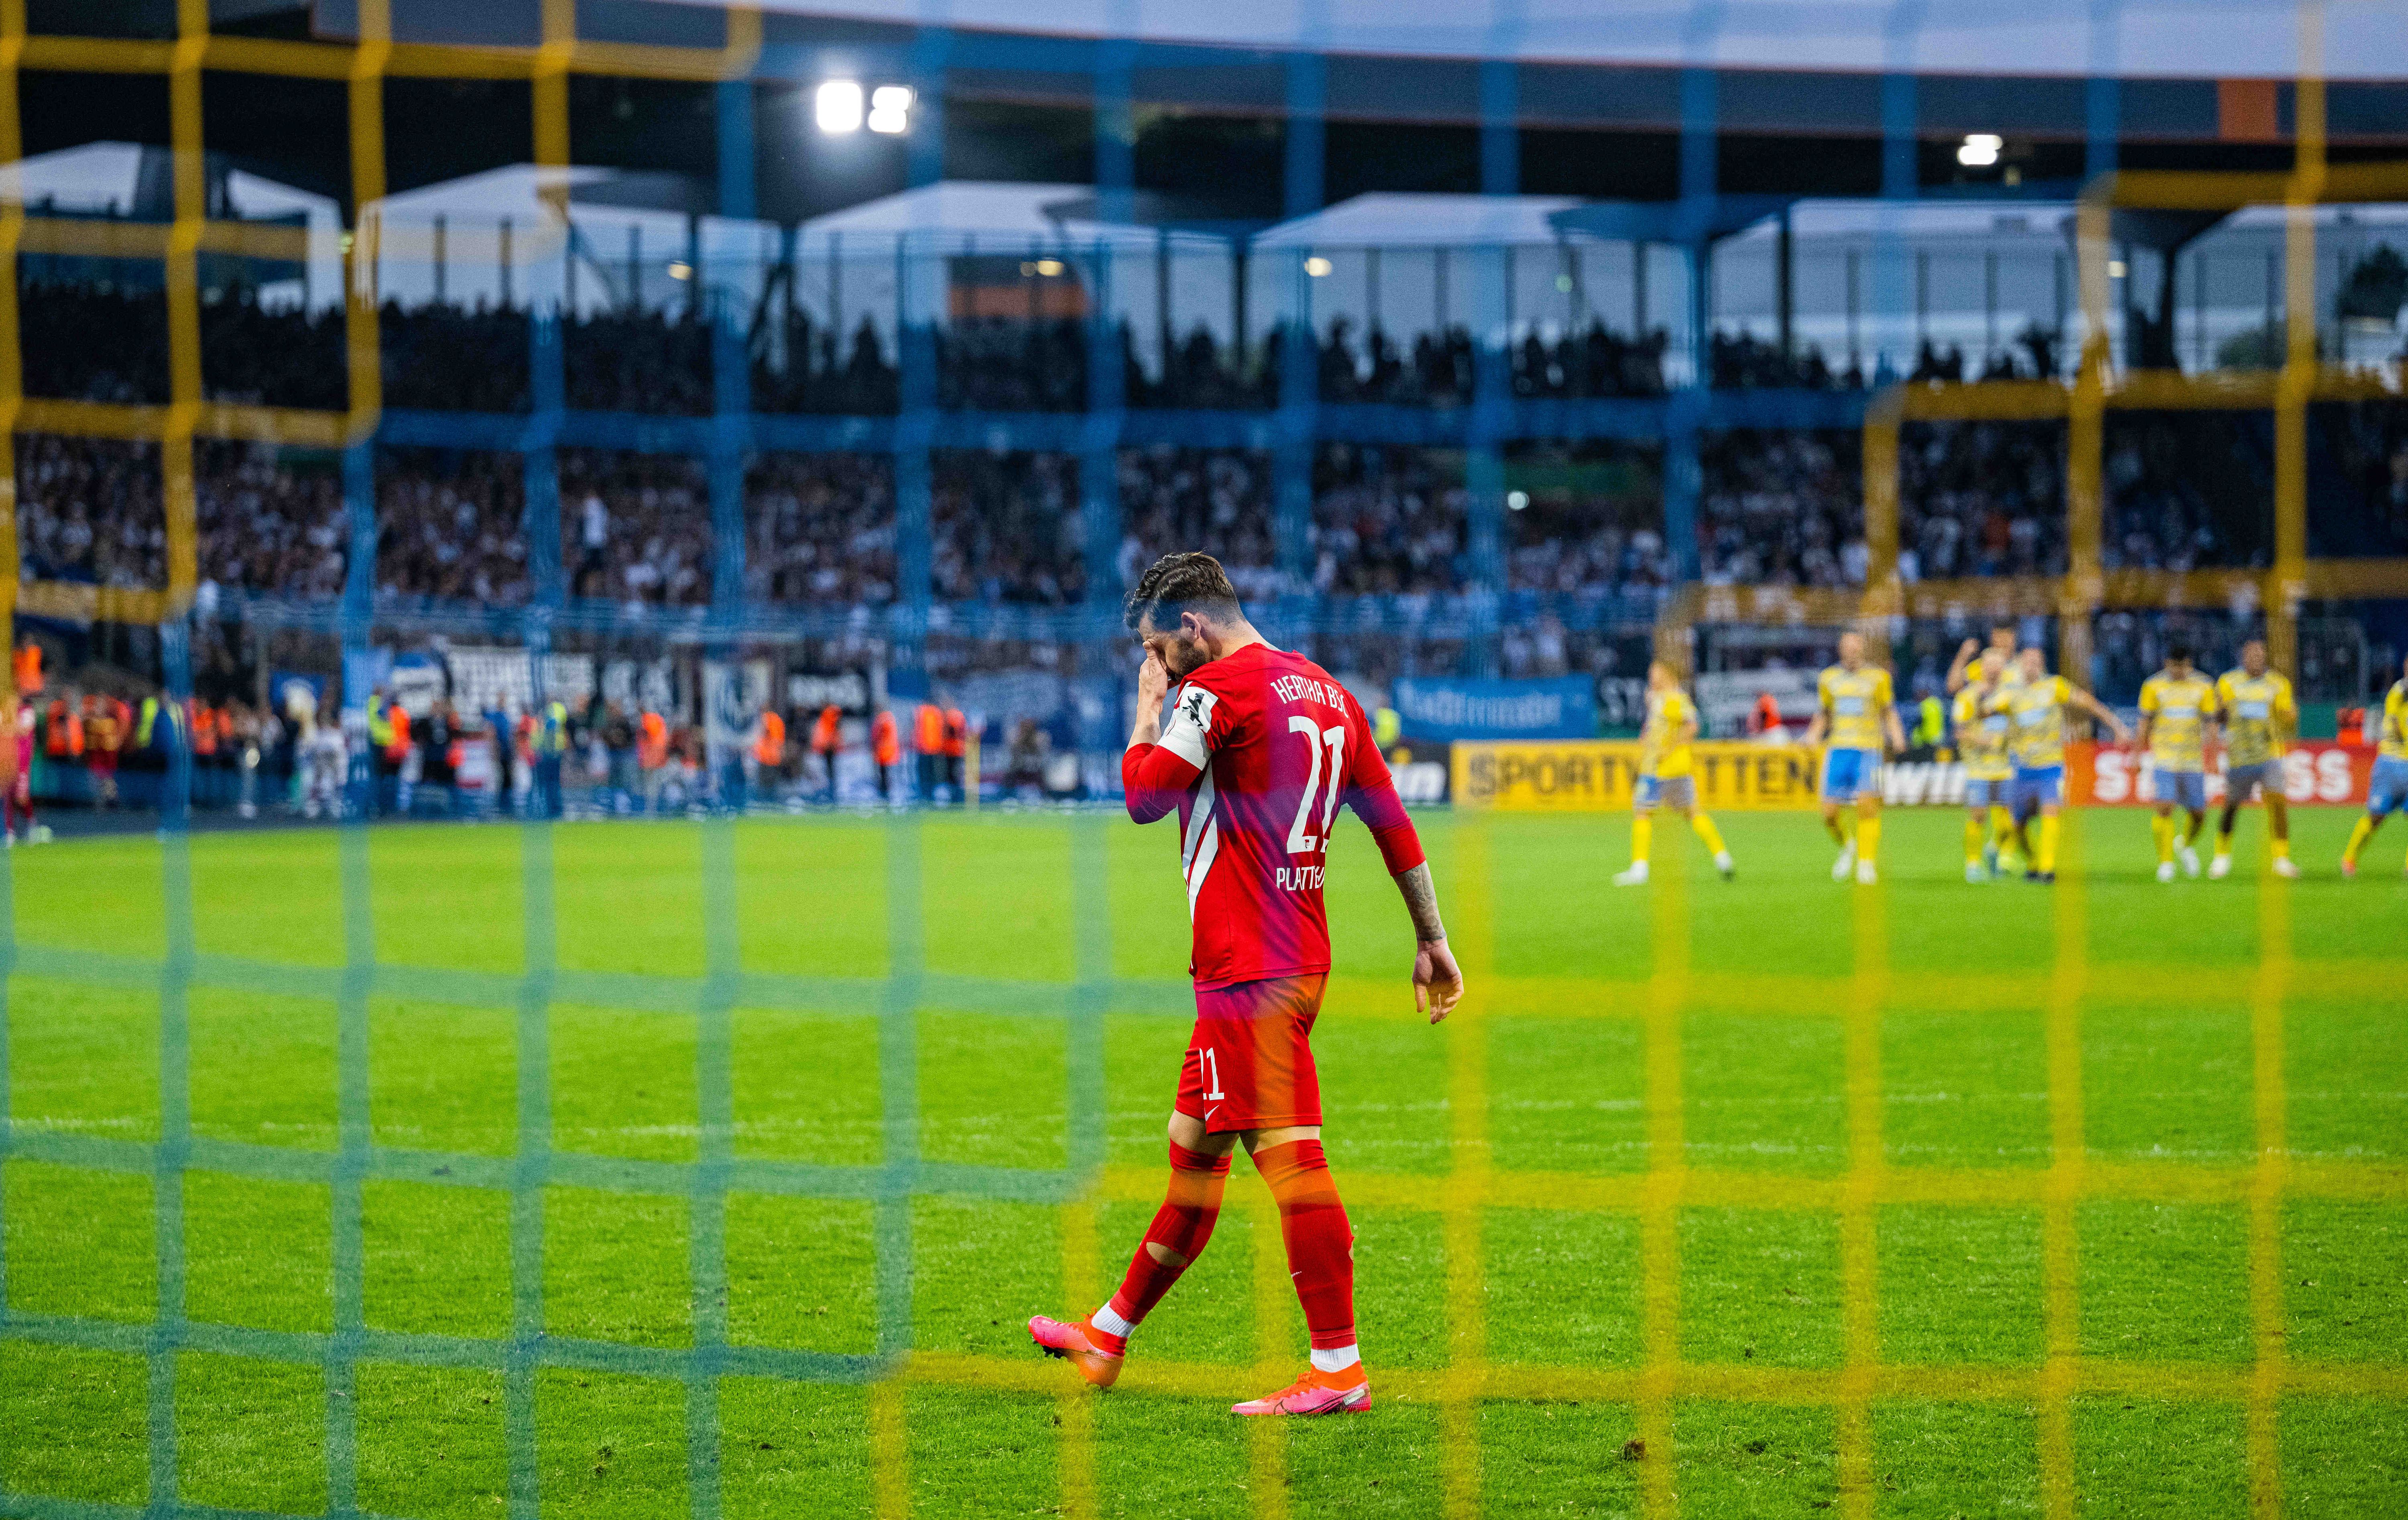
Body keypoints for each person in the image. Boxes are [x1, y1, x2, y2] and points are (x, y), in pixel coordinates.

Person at [1027, 551, 1464, 1418]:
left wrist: (1147, 710)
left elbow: (1148, 797)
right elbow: (1392, 822)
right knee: (1194, 1154)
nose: (1158, 665)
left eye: (1160, 649)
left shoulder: (1209, 693)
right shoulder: (1329, 693)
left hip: (1247, 971)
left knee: (1290, 1157)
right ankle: (1108, 1333)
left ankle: (1338, 1369)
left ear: (1193, 627)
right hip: (1295, 954)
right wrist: (1433, 937)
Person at [2004, 645, 2130, 884]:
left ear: (2042, 664)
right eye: (2028, 661)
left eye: (2037, 661)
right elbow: (1983, 712)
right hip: (2022, 766)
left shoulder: (2054, 687)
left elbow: (2088, 703)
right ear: (2021, 664)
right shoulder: (2010, 694)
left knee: (2051, 809)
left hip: (2051, 764)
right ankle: (2033, 863)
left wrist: (2116, 725)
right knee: (2016, 824)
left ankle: (2048, 869)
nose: (2032, 665)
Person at [1614, 659, 1732, 885]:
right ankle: (1722, 858)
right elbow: (1657, 728)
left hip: (1661, 768)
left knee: (1642, 812)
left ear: (1668, 674)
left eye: (1655, 672)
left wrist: (1666, 750)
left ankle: (1639, 869)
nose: (1651, 676)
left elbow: (1692, 726)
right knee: (1692, 813)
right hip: (1672, 768)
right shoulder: (1661, 699)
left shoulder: (1674, 698)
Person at [1802, 632, 1907, 884]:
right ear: (1841, 651)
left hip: (1870, 749)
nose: (1852, 652)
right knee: (1829, 813)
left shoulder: (1878, 678)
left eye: (1856, 647)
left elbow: (1888, 711)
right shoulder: (1829, 679)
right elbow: (1824, 713)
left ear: (1863, 650)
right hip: (1839, 748)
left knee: (1866, 805)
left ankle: (1866, 863)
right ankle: (1848, 846)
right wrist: (1813, 734)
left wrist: (1897, 734)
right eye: (1847, 648)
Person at [2210, 639, 2299, 879]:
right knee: (2231, 806)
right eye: (2251, 656)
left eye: (2260, 656)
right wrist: (2217, 720)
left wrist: (2288, 714)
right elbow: (2217, 715)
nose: (2255, 660)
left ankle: (2281, 860)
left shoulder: (2278, 684)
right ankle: (2221, 857)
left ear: (2266, 658)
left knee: (2278, 805)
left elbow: (2290, 717)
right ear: (2243, 658)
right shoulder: (2229, 682)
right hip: (2239, 755)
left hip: (2270, 753)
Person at [2137, 643, 2217, 884]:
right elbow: (2144, 723)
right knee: (2165, 806)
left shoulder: (2204, 686)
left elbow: (2211, 723)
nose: (2178, 671)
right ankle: (2166, 863)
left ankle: (2185, 844)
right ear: (2167, 664)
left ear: (2189, 665)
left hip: (2192, 761)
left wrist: (2212, 756)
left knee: (2199, 814)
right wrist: (2136, 755)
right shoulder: (2153, 686)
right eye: (2174, 666)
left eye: (2182, 666)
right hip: (2164, 758)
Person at [1952, 647, 2016, 882]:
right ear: (1982, 667)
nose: (1993, 668)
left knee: (2012, 819)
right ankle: (1973, 865)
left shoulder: (2011, 694)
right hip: (1979, 766)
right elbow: (1959, 732)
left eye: (1998, 664)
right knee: (1978, 815)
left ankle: (1994, 849)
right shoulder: (1967, 696)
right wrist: (1981, 740)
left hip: (2007, 765)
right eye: (1989, 664)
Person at [2341, 654, 2407, 879]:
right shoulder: (2400, 692)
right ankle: (2350, 858)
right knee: (2376, 816)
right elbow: (2395, 728)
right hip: (2392, 763)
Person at [872, 706, 902, 802]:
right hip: (887, 753)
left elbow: (879, 736)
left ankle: (886, 797)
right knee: (886, 775)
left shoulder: (883, 719)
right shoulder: (888, 718)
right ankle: (887, 795)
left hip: (884, 753)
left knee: (885, 776)